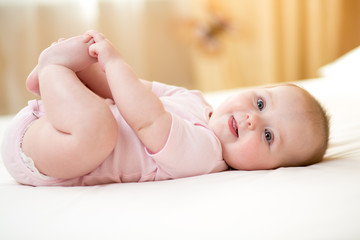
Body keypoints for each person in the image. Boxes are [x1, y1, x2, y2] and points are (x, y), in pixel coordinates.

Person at [1, 30, 329, 186]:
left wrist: (115, 61)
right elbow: (138, 90)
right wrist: (97, 64)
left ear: (270, 170)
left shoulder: (207, 154)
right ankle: (59, 75)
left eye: (269, 136)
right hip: (56, 126)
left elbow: (148, 119)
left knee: (100, 131)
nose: (251, 119)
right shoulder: (195, 99)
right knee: (103, 100)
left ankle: (52, 69)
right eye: (260, 103)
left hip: (48, 153)